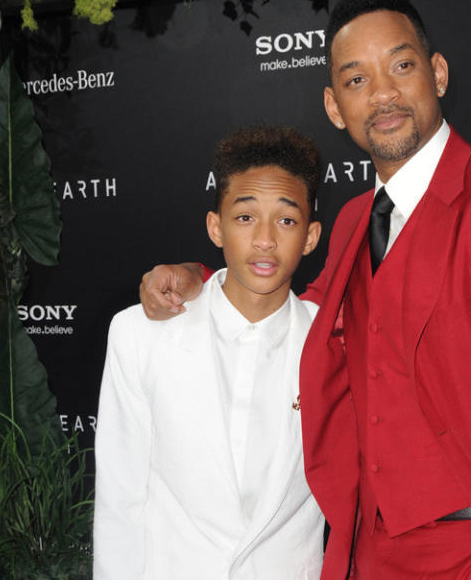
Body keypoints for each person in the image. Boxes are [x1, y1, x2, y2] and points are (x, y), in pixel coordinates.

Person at [139, 0, 471, 580]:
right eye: (357, 79)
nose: (384, 93)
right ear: (335, 107)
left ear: (437, 73)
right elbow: (297, 315)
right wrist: (198, 277)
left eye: (401, 65)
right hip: (374, 551)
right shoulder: (351, 220)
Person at [94, 125, 327, 580]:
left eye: (285, 220)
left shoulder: (333, 345)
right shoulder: (138, 335)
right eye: (245, 218)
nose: (264, 239)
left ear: (311, 236)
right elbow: (121, 500)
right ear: (215, 227)